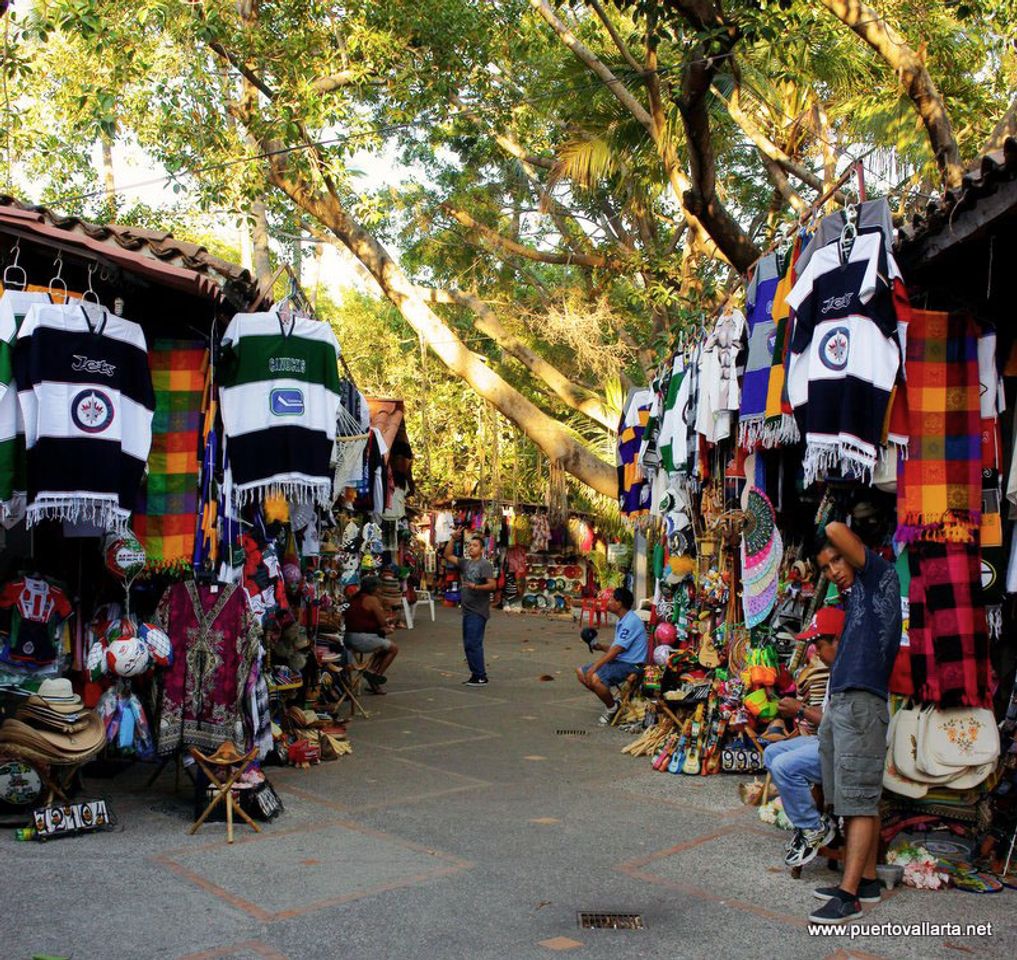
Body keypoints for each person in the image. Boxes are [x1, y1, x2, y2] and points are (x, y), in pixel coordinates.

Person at [808, 521, 901, 926]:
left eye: (836, 560)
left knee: (858, 798)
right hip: (846, 701)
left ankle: (848, 898)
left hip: (862, 703)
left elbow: (833, 527)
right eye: (826, 568)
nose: (833, 572)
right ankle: (865, 882)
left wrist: (827, 533)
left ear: (855, 549)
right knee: (853, 792)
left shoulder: (878, 572)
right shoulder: (854, 593)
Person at [763, 606, 843, 869]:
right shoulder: (837, 668)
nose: (816, 652)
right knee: (771, 753)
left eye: (820, 645)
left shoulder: (850, 672)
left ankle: (812, 827)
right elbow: (830, 715)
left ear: (838, 640)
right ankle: (806, 823)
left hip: (844, 750)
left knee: (784, 766)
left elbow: (841, 726)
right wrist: (804, 709)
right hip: (828, 741)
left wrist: (801, 710)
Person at [576, 587, 647, 723]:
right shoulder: (623, 620)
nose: (608, 602)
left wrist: (595, 667)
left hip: (632, 665)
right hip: (621, 661)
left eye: (611, 599)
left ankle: (612, 708)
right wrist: (600, 646)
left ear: (619, 603)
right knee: (580, 672)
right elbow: (618, 649)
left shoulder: (630, 622)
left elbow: (616, 650)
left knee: (595, 678)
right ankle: (612, 703)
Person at [444, 530, 497, 685]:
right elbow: (447, 555)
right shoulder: (466, 563)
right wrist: (453, 538)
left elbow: (492, 585)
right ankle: (476, 674)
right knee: (469, 643)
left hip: (478, 610)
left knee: (473, 643)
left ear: (482, 549)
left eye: (475, 545)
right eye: (469, 545)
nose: (471, 548)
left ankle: (480, 676)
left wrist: (476, 587)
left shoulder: (485, 564)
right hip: (467, 609)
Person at [343, 576, 399, 694]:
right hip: (360, 638)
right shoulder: (371, 600)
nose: (381, 590)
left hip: (348, 637)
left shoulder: (355, 598)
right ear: (374, 588)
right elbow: (382, 622)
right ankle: (376, 677)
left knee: (383, 646)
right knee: (393, 648)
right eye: (379, 588)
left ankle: (372, 671)